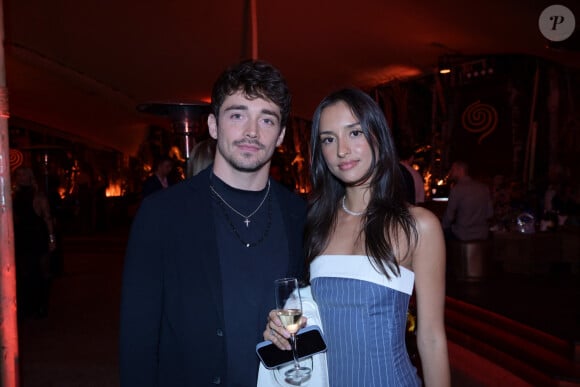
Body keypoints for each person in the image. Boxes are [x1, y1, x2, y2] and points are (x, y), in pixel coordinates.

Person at [119, 59, 307, 387]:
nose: (252, 131)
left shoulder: (299, 214)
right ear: (213, 125)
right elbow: (137, 338)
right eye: (237, 115)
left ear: (281, 135)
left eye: (267, 119)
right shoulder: (162, 214)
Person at [265, 88, 450, 386]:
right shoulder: (314, 222)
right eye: (329, 139)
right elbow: (308, 311)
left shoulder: (418, 225)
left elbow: (430, 338)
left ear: (378, 136)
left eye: (355, 133)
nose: (342, 150)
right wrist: (280, 326)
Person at [12, 166, 57, 319]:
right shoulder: (13, 195)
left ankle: (41, 305)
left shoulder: (38, 196)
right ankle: (29, 306)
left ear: (30, 177)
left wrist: (51, 238)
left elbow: (47, 218)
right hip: (22, 238)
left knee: (42, 271)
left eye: (24, 175)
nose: (21, 178)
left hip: (37, 236)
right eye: (19, 175)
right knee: (25, 273)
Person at [442, 161, 494, 241]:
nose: (450, 173)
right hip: (482, 233)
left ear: (460, 170)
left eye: (452, 170)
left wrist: (441, 227)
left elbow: (449, 217)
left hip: (463, 234)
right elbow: (490, 214)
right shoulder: (484, 188)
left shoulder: (457, 189)